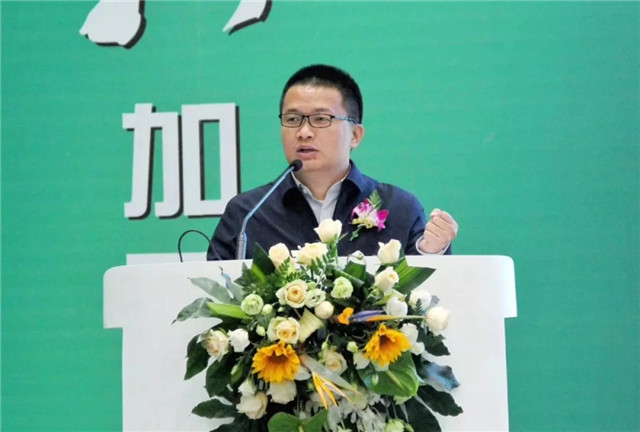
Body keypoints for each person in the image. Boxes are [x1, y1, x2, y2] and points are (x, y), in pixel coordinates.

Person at [207, 64, 458, 261]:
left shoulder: (399, 208)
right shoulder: (248, 214)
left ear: (355, 135)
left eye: (320, 119)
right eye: (292, 119)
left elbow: (424, 298)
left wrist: (432, 251)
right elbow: (215, 298)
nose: (304, 132)